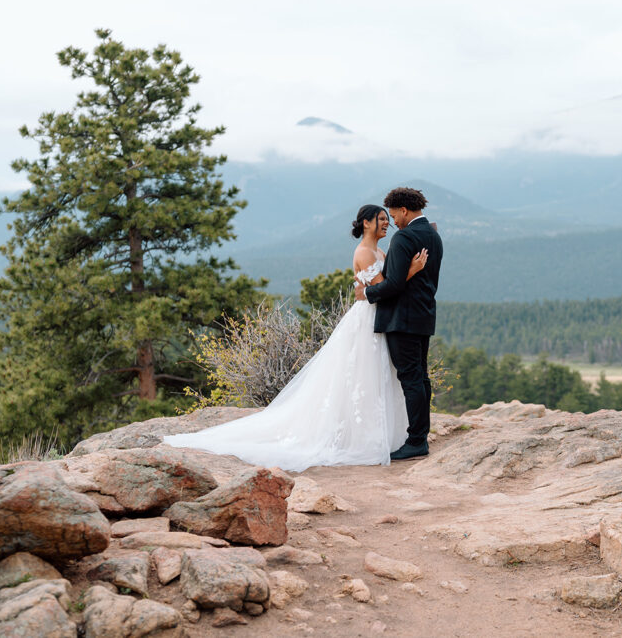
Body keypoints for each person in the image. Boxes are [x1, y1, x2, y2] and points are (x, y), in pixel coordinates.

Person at [162, 205, 428, 472]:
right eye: (381, 219)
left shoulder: (379, 251)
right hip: (368, 318)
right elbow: (384, 286)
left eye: (386, 219)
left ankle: (385, 432)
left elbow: (381, 286)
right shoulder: (364, 252)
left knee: (375, 375)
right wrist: (411, 271)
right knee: (362, 373)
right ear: (367, 223)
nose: (386, 223)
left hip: (378, 316)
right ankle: (359, 436)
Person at [355, 187, 443, 460]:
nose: (393, 222)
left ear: (404, 210)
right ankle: (421, 435)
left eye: (393, 215)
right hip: (424, 315)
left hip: (401, 319)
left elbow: (392, 285)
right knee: (421, 377)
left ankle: (417, 440)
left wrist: (367, 293)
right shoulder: (434, 235)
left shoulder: (405, 238)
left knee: (410, 378)